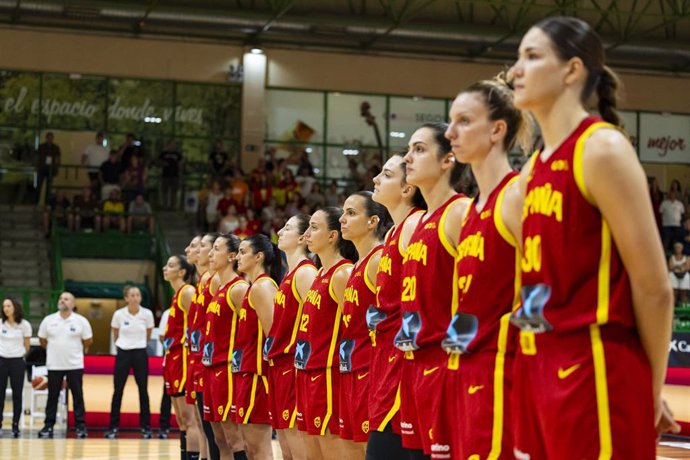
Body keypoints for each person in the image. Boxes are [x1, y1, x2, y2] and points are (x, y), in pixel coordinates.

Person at [510, 16, 679, 459]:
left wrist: (651, 386)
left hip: (594, 369)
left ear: (572, 69)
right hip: (539, 366)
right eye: (518, 58)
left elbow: (655, 289)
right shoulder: (533, 170)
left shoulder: (602, 150)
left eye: (532, 56)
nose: (515, 71)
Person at [437, 77, 529, 459]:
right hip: (465, 371)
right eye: (450, 121)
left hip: (504, 377)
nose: (450, 132)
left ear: (497, 129)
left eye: (463, 121)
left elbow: (547, 289)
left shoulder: (516, 195)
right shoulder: (471, 210)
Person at [393, 123, 469, 456]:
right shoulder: (421, 222)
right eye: (409, 149)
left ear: (447, 159)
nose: (408, 158)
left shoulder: (460, 213)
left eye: (419, 149)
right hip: (415, 366)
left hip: (446, 369)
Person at [366, 154, 425, 460]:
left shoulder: (415, 224)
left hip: (404, 369)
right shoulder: (392, 233)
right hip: (384, 364)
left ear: (406, 189)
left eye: (386, 175)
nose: (376, 179)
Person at [294, 207, 357, 459]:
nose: (307, 233)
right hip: (309, 373)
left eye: (315, 227)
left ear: (333, 236)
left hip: (329, 375)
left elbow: (353, 328)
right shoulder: (319, 273)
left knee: (330, 450)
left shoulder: (343, 273)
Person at [338, 192, 391, 456]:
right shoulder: (358, 263)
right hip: (351, 370)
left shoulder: (379, 260)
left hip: (370, 372)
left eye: (351, 213)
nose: (342, 219)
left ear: (372, 221)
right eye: (343, 213)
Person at [265, 214, 317, 460]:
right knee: (285, 447)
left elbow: (316, 322)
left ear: (303, 237)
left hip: (293, 368)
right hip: (279, 368)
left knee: (297, 447)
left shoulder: (306, 273)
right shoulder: (288, 275)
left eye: (287, 228)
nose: (280, 231)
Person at [234, 234, 284, 460]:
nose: (238, 256)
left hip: (258, 377)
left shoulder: (263, 287)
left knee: (259, 449)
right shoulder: (253, 287)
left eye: (244, 252)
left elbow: (273, 337)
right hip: (246, 374)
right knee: (249, 447)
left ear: (259, 257)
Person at [203, 234, 249, 460]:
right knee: (219, 438)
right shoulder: (217, 288)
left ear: (232, 256)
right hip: (211, 369)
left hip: (228, 371)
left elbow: (251, 329)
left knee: (234, 438)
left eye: (217, 249)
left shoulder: (239, 288)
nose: (210, 253)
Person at [37, 292, 93, 439]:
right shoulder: (49, 320)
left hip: (75, 364)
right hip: (54, 365)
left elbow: (88, 341)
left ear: (73, 304)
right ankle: (48, 426)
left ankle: (80, 426)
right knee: (52, 396)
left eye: (66, 299)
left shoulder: (81, 321)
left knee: (77, 396)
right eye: (61, 299)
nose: (63, 301)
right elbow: (42, 340)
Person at [162, 255, 202, 459]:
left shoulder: (187, 292)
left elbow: (198, 324)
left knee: (190, 419)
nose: (164, 268)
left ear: (182, 272)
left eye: (170, 265)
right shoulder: (177, 294)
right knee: (180, 419)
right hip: (173, 359)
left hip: (185, 360)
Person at [105, 286, 155, 439]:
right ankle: (113, 427)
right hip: (123, 353)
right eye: (132, 295)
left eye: (137, 295)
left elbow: (148, 334)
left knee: (143, 390)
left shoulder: (147, 314)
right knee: (118, 390)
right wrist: (124, 345)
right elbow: (115, 334)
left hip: (140, 352)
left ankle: (146, 427)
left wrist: (138, 344)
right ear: (126, 298)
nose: (135, 298)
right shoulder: (119, 314)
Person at [190, 234, 222, 460]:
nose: (202, 251)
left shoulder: (216, 281)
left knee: (215, 432)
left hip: (215, 361)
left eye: (202, 245)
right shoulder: (203, 281)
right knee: (201, 425)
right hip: (199, 358)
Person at [0, 297, 32, 438]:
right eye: (4, 306)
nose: (6, 308)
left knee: (17, 394)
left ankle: (15, 425)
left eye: (9, 305)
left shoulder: (24, 325)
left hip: (17, 362)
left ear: (15, 307)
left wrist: (19, 355)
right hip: (1, 361)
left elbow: (27, 345)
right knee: (0, 395)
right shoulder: (0, 324)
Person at [158, 306, 172, 439]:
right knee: (167, 395)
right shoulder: (168, 313)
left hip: (190, 363)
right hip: (171, 361)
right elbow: (162, 336)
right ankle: (164, 426)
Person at [36, 131, 61, 203]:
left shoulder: (56, 147)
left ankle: (46, 204)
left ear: (53, 138)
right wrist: (36, 167)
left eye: (51, 138)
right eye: (48, 138)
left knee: (49, 188)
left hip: (51, 169)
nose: (50, 139)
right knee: (38, 187)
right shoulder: (41, 146)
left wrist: (56, 167)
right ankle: (35, 203)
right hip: (41, 169)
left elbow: (57, 158)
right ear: (46, 138)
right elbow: (37, 157)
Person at [159, 140, 183, 209]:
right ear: (168, 145)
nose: (172, 146)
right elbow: (159, 161)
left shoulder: (177, 154)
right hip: (165, 175)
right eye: (170, 144)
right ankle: (164, 205)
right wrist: (163, 163)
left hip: (175, 175)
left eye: (173, 144)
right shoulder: (164, 153)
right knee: (164, 191)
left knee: (174, 191)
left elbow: (181, 163)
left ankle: (173, 206)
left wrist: (179, 170)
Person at [669, 242, 690, 307]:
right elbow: (670, 267)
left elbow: (687, 267)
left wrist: (676, 266)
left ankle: (684, 308)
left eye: (679, 248)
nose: (678, 249)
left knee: (683, 292)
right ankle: (673, 308)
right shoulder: (671, 257)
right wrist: (681, 266)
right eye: (676, 248)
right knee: (674, 292)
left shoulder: (686, 257)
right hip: (673, 275)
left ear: (682, 249)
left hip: (684, 275)